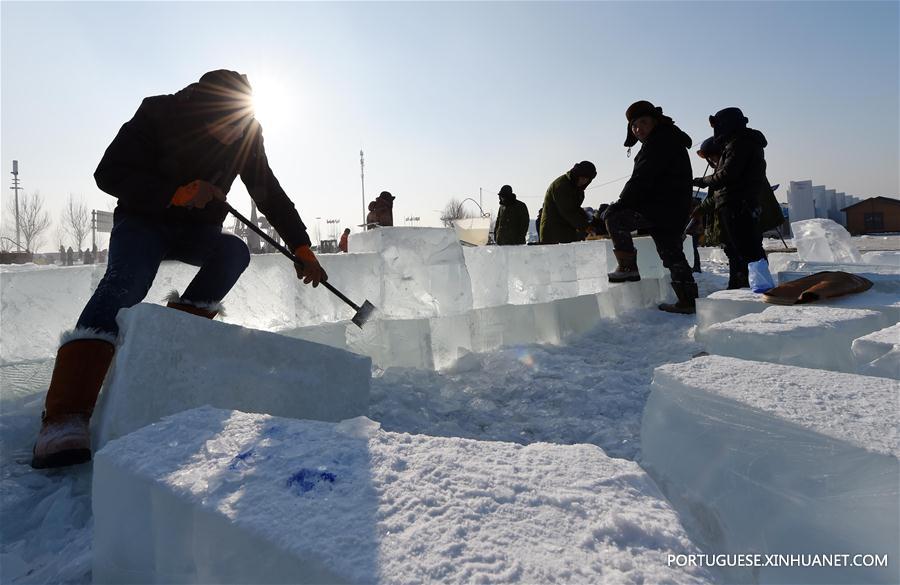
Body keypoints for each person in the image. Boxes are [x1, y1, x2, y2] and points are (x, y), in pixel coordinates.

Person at [31, 69, 327, 469]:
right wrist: (176, 193)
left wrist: (301, 245)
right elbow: (108, 173)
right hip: (144, 220)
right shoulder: (159, 112)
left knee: (233, 252)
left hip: (196, 231)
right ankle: (65, 414)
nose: (234, 137)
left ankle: (171, 345)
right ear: (204, 108)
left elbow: (267, 191)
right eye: (227, 127)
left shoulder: (247, 131)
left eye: (240, 128)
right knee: (129, 280)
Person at [604, 100, 697, 314]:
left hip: (660, 207)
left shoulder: (659, 141)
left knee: (614, 218)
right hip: (672, 207)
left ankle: (628, 267)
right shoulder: (669, 138)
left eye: (643, 123)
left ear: (655, 121)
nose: (638, 129)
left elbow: (641, 178)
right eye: (634, 126)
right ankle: (688, 300)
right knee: (672, 254)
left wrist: (620, 204)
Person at [691, 108, 772, 291]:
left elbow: (728, 174)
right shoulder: (746, 142)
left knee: (744, 251)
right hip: (740, 203)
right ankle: (751, 286)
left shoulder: (739, 143)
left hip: (737, 204)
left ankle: (754, 289)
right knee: (745, 250)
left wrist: (702, 181)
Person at [539, 161, 597, 244]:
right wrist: (585, 226)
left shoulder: (577, 189)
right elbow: (568, 211)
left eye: (587, 179)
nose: (584, 181)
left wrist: (589, 220)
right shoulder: (561, 185)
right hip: (553, 233)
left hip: (566, 231)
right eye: (583, 178)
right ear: (577, 175)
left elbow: (575, 209)